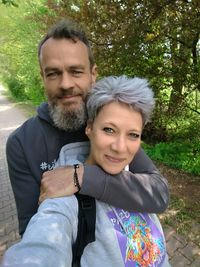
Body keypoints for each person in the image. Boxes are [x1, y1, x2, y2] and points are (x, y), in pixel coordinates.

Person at [6, 19, 169, 237]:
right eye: (53, 73)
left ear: (93, 74)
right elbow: (31, 229)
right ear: (43, 77)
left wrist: (82, 177)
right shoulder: (21, 143)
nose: (65, 84)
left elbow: (158, 193)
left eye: (76, 71)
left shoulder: (109, 122)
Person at [2, 76, 171, 267]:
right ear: (89, 128)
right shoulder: (65, 189)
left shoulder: (134, 170)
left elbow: (160, 194)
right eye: (109, 130)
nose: (120, 147)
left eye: (133, 134)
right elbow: (45, 240)